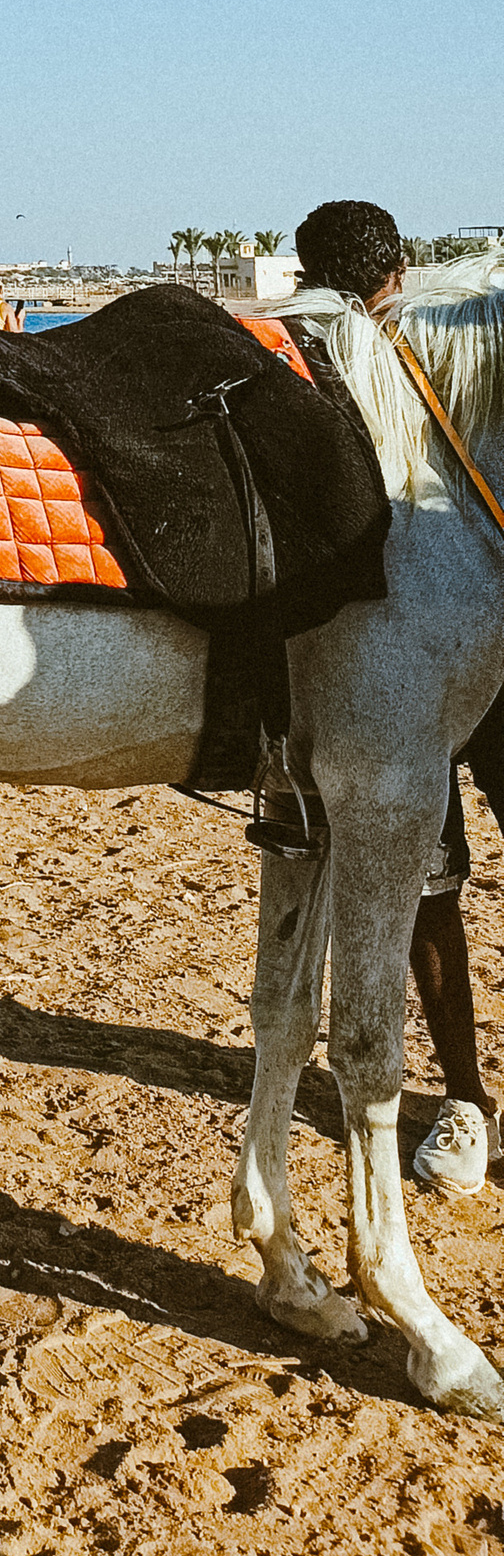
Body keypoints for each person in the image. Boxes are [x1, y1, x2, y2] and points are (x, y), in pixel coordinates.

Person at [293, 198, 503, 1198]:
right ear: (399, 267)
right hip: (405, 651)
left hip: (435, 647)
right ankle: (466, 1103)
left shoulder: (446, 341)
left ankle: (466, 1101)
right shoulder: (352, 352)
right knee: (423, 873)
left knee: (429, 886)